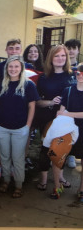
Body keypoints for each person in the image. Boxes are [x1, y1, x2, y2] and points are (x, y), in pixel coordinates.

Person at [0, 55, 39, 198]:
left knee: (17, 157)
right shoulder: (2, 84)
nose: (13, 69)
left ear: (21, 68)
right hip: (2, 126)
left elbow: (32, 107)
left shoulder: (28, 85)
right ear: (7, 68)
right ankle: (5, 180)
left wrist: (28, 126)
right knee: (4, 156)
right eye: (10, 66)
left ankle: (18, 184)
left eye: (16, 66)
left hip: (20, 128)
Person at [35, 45, 76, 193]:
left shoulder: (73, 75)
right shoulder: (44, 78)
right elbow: (37, 101)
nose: (60, 59)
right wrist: (51, 102)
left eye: (63, 56)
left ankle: (61, 177)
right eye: (57, 56)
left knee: (63, 148)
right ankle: (44, 178)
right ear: (51, 59)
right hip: (47, 117)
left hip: (67, 119)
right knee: (46, 149)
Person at [0, 39, 33, 178]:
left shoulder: (27, 71)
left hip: (20, 119)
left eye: (16, 48)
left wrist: (28, 124)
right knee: (1, 146)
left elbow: (31, 103)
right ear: (6, 50)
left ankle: (18, 171)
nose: (13, 51)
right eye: (11, 48)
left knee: (18, 149)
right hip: (3, 117)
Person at [57, 63, 83, 202]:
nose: (80, 76)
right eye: (78, 73)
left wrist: (67, 114)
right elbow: (61, 111)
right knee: (61, 157)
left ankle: (81, 189)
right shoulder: (67, 90)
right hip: (68, 129)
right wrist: (63, 115)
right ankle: (58, 184)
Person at [64, 39, 81, 168]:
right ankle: (65, 153)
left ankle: (72, 155)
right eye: (68, 48)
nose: (70, 50)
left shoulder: (80, 68)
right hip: (66, 103)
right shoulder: (63, 67)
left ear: (78, 50)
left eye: (73, 48)